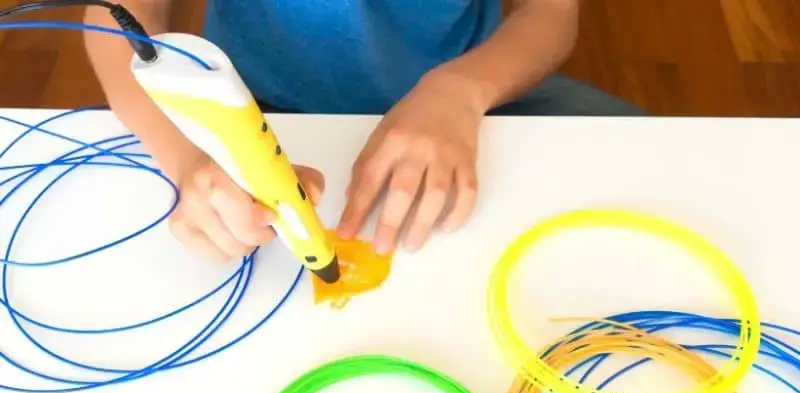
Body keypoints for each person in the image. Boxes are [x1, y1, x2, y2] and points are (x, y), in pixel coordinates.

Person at [83, 0, 641, 262]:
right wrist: (188, 159)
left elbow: (550, 14)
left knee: (644, 162)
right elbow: (119, 15)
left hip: (476, 82)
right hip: (264, 103)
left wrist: (460, 91)